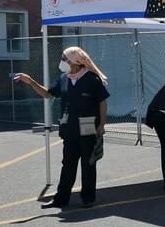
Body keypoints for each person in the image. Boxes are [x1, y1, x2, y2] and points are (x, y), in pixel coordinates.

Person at [14, 47, 109, 208]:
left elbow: (102, 102)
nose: (62, 61)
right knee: (68, 165)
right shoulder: (64, 78)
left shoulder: (92, 79)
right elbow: (48, 94)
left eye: (65, 59)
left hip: (88, 128)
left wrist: (101, 125)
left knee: (88, 164)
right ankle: (61, 199)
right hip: (70, 129)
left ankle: (88, 198)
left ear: (75, 61)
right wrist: (31, 82)